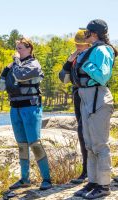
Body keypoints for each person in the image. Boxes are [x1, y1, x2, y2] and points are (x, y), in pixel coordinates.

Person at [0, 37, 52, 190]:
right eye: (17, 48)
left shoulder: (33, 64)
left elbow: (21, 75)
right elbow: (1, 86)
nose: (18, 51)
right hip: (15, 107)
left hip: (30, 107)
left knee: (34, 142)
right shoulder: (13, 66)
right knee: (21, 144)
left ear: (29, 49)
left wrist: (15, 62)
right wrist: (5, 70)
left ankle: (47, 179)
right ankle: (24, 179)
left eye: (21, 48)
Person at [71, 19, 117, 199]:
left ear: (94, 34)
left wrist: (86, 65)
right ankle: (93, 181)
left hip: (98, 97)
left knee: (100, 144)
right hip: (86, 96)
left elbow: (103, 76)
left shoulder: (103, 50)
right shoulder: (92, 49)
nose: (85, 35)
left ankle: (104, 185)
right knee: (89, 144)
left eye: (87, 33)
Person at [59, 29, 91, 184]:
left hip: (90, 95)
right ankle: (85, 170)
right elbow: (63, 78)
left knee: (91, 132)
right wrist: (69, 60)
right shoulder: (75, 58)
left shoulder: (93, 55)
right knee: (81, 130)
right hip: (77, 94)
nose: (78, 46)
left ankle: (93, 170)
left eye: (81, 44)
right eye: (77, 44)